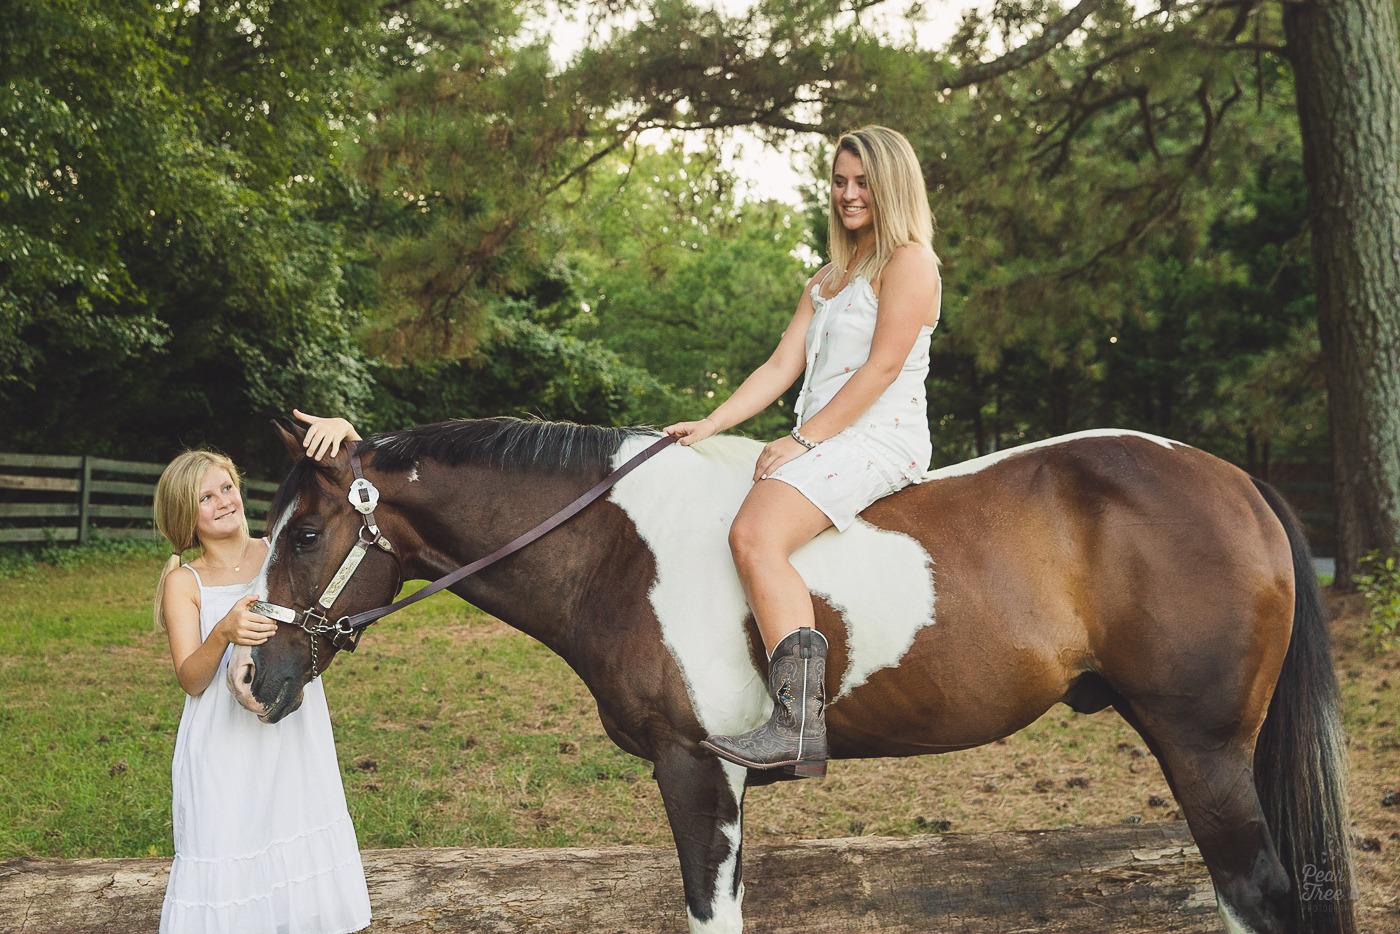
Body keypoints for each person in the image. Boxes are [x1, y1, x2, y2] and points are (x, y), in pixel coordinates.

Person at [664, 126, 941, 778]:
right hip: (830, 436)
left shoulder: (910, 263)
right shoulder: (828, 278)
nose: (847, 194)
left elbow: (879, 371)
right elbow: (780, 364)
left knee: (754, 532)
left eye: (862, 182)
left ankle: (797, 726)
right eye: (840, 181)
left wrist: (802, 439)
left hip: (881, 436)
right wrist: (711, 422)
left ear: (891, 186)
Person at [152, 410, 370, 934]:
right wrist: (223, 632)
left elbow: (363, 496)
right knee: (230, 839)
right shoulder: (186, 582)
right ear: (186, 514)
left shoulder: (278, 551)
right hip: (224, 740)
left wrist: (348, 434)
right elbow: (190, 678)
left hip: (291, 726)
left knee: (294, 829)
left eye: (226, 487)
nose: (224, 500)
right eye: (207, 497)